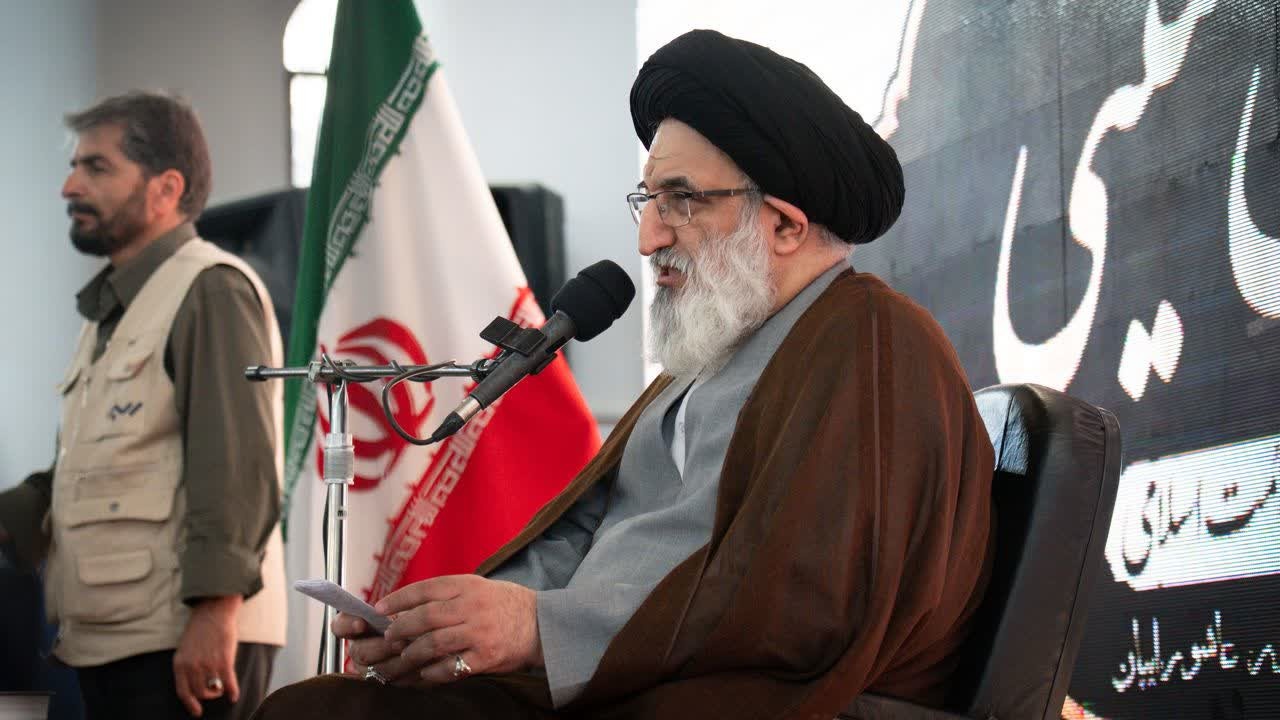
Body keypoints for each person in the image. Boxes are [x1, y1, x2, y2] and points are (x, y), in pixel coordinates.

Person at [255, 29, 994, 720]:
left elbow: (804, 601)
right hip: (619, 674)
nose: (647, 238)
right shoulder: (707, 361)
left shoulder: (874, 341)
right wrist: (456, 623)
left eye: (682, 200)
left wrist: (541, 628)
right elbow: (588, 533)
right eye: (649, 199)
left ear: (785, 225)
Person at [0, 91, 287, 720]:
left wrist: (215, 612)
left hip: (185, 639)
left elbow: (235, 464)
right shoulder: (113, 309)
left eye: (96, 167)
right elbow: (85, 475)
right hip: (117, 639)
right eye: (73, 166)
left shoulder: (209, 288)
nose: (70, 186)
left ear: (166, 189)